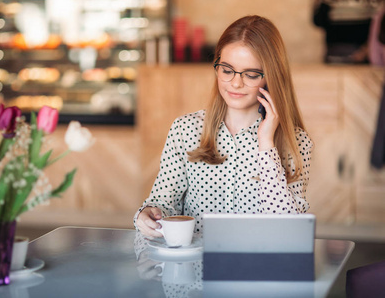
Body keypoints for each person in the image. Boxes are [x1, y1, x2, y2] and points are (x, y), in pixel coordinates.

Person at [134, 15, 314, 237]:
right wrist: (149, 214)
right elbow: (163, 204)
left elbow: (288, 230)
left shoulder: (296, 142)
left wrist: (267, 145)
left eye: (251, 74)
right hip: (197, 267)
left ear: (272, 77)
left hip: (258, 267)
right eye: (227, 70)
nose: (236, 83)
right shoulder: (185, 130)